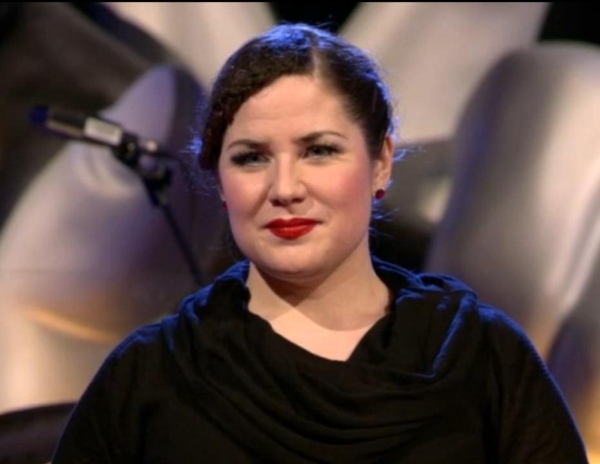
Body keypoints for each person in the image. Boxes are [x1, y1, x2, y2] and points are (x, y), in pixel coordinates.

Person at [51, 22, 588, 463]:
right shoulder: (151, 375)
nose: (285, 188)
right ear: (218, 180)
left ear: (380, 162)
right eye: (251, 157)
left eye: (319, 151)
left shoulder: (479, 356)